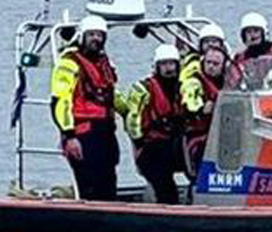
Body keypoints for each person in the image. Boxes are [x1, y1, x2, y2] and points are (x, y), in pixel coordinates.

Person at [51, 13, 120, 200]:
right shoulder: (69, 64)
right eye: (92, 35)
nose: (96, 39)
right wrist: (69, 135)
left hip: (105, 132)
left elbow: (113, 96)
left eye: (100, 35)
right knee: (90, 184)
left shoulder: (104, 64)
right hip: (83, 133)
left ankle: (110, 220)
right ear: (82, 36)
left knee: (108, 182)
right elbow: (60, 101)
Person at [121, 44, 187, 204]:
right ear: (156, 67)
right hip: (152, 147)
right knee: (165, 187)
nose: (168, 69)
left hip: (174, 145)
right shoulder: (144, 89)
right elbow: (132, 119)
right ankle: (168, 209)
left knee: (196, 167)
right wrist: (138, 142)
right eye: (164, 64)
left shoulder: (183, 88)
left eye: (171, 64)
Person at [180, 34, 229, 177]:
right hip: (199, 135)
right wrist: (201, 109)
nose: (211, 67)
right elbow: (190, 101)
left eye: (215, 64)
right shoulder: (194, 82)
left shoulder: (230, 82)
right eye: (208, 63)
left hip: (226, 135)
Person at [228, 11, 272, 86]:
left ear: (263, 33)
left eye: (256, 31)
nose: (252, 35)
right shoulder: (239, 58)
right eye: (249, 32)